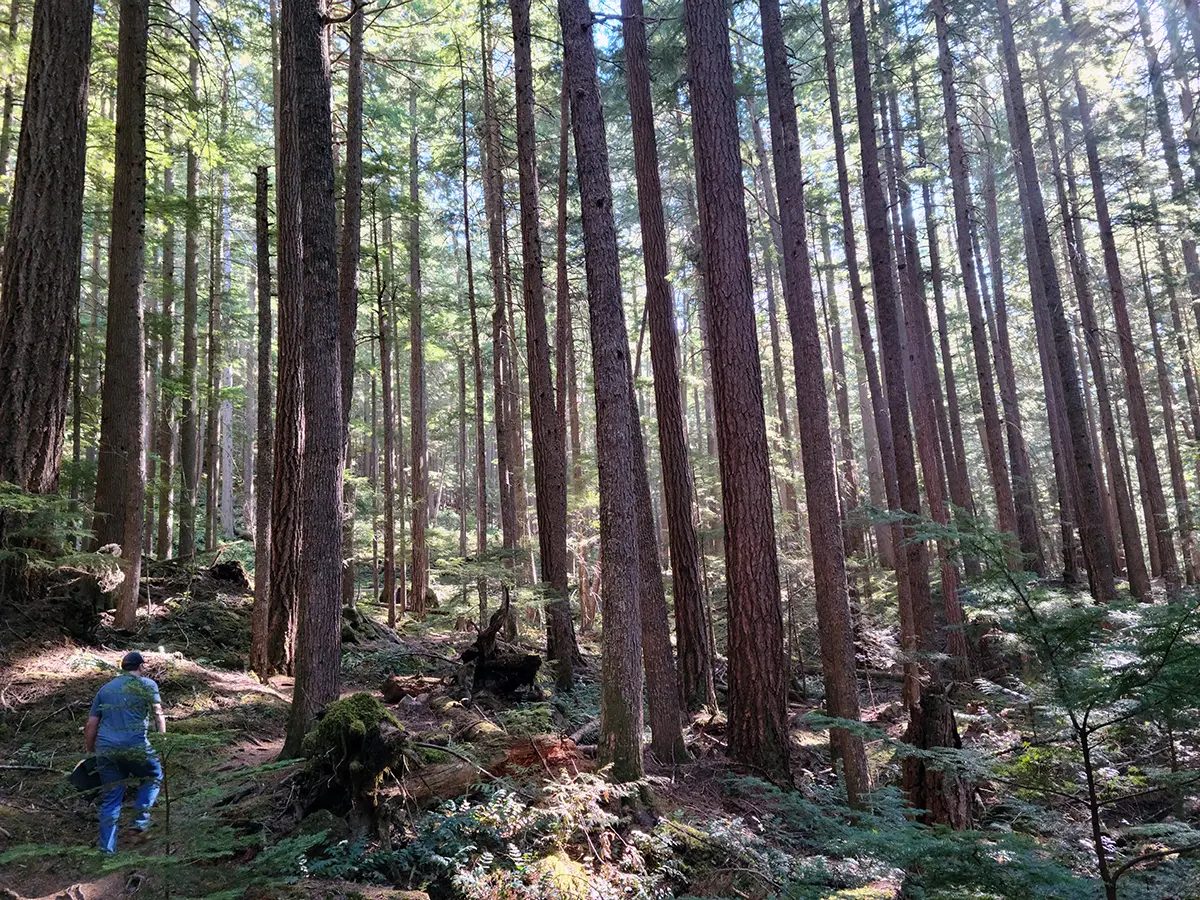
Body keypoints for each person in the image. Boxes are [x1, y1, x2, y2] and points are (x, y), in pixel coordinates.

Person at [84, 651, 166, 853]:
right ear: (141, 667)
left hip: (106, 749)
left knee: (111, 799)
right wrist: (163, 742)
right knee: (153, 775)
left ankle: (107, 852)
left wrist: (91, 751)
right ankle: (139, 822)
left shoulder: (105, 689)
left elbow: (91, 724)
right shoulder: (148, 685)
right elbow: (158, 714)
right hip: (136, 746)